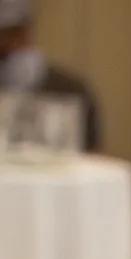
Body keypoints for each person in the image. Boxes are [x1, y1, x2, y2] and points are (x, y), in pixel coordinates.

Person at [0, 0, 101, 151]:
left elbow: (92, 154)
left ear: (26, 31)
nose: (6, 43)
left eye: (11, 32)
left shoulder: (71, 90)